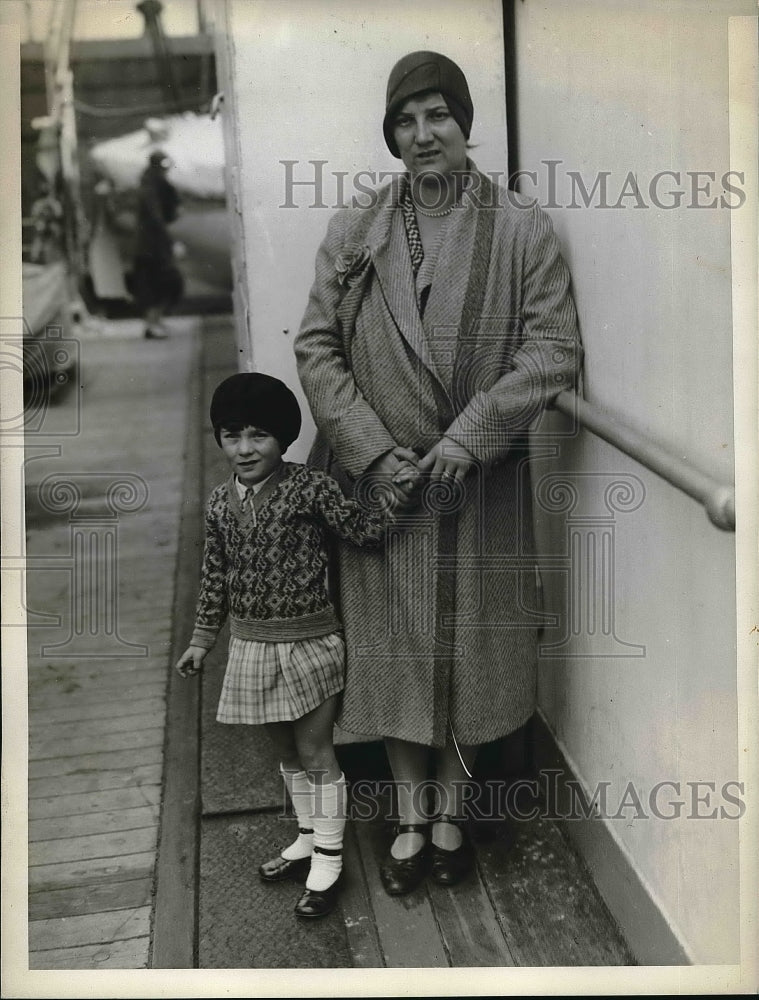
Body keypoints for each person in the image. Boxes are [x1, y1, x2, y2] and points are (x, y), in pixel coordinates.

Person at [295, 51, 583, 895]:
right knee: (393, 649)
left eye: (437, 117)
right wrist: (374, 453)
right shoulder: (357, 226)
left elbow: (552, 349)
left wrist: (467, 439)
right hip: (381, 484)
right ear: (391, 135)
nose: (423, 136)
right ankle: (409, 818)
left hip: (473, 482)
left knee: (468, 645)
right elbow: (316, 347)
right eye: (405, 121)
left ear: (463, 124)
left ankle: (452, 812)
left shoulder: (519, 227)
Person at [175, 373, 395, 918]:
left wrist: (396, 492)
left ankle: (329, 855)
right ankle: (305, 835)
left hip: (311, 643)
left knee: (318, 752)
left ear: (284, 438)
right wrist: (203, 640)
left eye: (259, 436)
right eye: (231, 436)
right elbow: (215, 576)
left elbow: (363, 530)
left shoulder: (309, 488)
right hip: (251, 647)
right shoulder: (221, 504)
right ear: (220, 439)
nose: (245, 449)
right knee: (284, 753)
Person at [131, 149, 184, 339]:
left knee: (157, 284)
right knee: (160, 284)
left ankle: (154, 322)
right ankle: (152, 323)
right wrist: (169, 242)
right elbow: (156, 219)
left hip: (150, 245)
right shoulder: (151, 187)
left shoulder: (151, 184)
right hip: (152, 246)